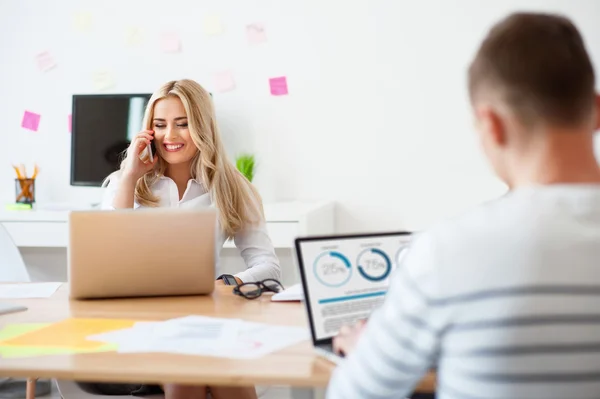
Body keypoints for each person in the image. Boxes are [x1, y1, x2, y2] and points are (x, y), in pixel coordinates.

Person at [326, 12, 600, 399]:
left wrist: (368, 353)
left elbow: (353, 395)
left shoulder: (448, 252)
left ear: (491, 125)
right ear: (597, 110)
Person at [98, 79, 281, 399]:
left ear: (203, 127)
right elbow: (108, 262)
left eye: (183, 124)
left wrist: (220, 285)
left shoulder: (232, 187)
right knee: (189, 374)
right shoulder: (123, 183)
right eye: (160, 124)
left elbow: (267, 266)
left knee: (227, 373)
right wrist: (129, 178)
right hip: (139, 320)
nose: (170, 135)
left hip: (203, 317)